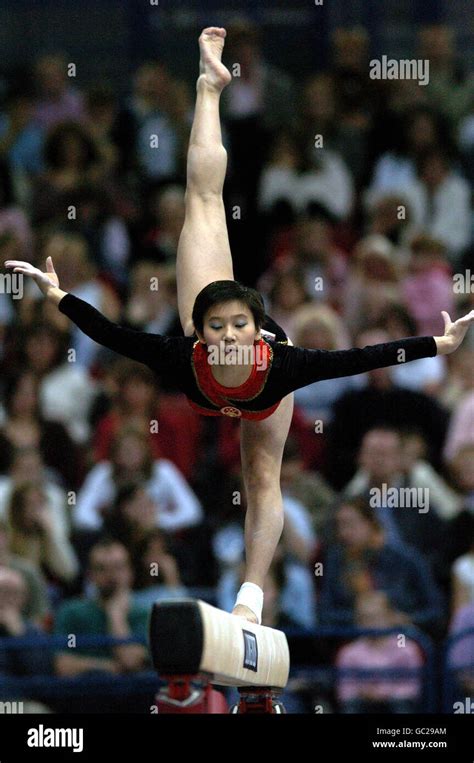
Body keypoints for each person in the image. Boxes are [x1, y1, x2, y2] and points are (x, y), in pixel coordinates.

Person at [5, 27, 474, 625]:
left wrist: (438, 343)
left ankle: (251, 595)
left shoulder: (280, 365)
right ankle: (209, 86)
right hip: (210, 325)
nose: (226, 337)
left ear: (258, 335)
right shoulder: (186, 353)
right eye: (218, 328)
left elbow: (363, 357)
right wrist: (61, 296)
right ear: (203, 334)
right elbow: (113, 336)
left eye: (237, 329)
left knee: (261, 477)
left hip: (259, 397)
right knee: (202, 197)